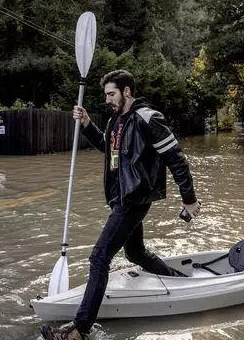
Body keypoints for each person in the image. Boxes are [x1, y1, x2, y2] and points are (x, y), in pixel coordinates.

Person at [40, 70, 201, 340]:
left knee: (99, 257)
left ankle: (79, 330)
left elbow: (177, 159)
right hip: (121, 198)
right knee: (135, 254)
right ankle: (178, 280)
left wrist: (189, 198)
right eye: (105, 95)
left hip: (134, 200)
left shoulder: (149, 118)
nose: (107, 99)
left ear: (127, 92)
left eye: (111, 94)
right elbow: (109, 149)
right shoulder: (117, 120)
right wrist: (89, 124)